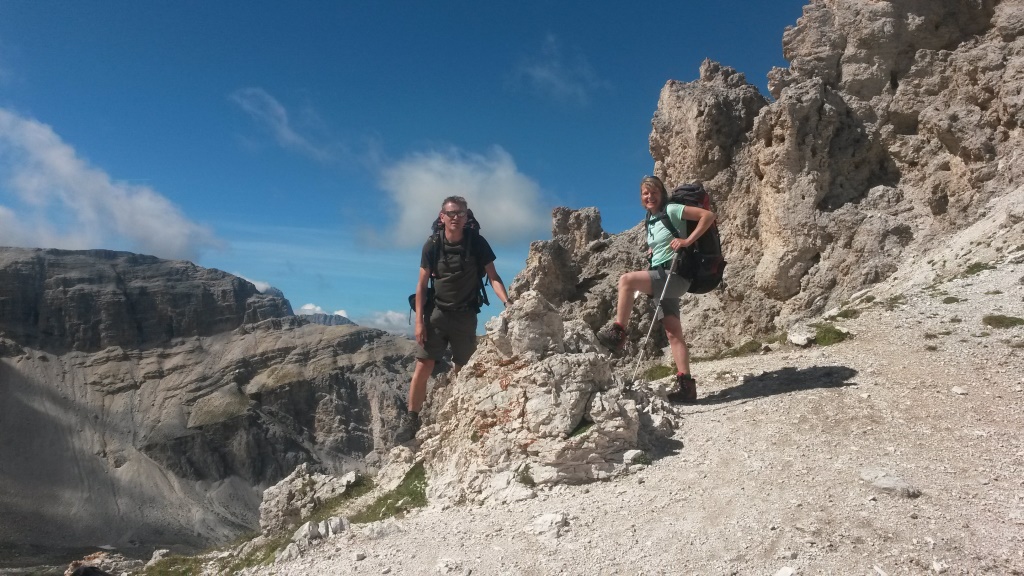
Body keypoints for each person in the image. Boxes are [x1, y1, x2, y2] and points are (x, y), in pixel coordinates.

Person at [397, 195, 510, 442]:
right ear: (442, 217)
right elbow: (421, 283)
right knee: (423, 364)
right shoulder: (432, 245)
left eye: (461, 213)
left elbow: (493, 277)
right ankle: (412, 419)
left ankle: (464, 414)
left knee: (463, 367)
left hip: (465, 315)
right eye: (451, 213)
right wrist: (419, 322)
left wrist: (508, 302)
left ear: (467, 216)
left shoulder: (478, 243)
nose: (456, 217)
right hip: (435, 314)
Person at [598, 175, 716, 403]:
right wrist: (654, 252)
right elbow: (662, 243)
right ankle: (687, 387)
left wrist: (687, 241)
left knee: (626, 281)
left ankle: (618, 333)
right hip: (663, 276)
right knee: (673, 333)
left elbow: (708, 216)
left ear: (661, 194)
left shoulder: (672, 210)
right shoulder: (650, 220)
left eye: (653, 192)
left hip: (676, 276)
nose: (649, 197)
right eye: (645, 193)